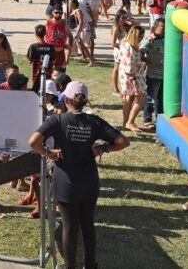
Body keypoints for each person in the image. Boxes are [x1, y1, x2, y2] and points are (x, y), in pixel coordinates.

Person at [29, 81, 129, 269]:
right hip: (89, 181)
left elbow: (33, 141)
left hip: (65, 181)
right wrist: (103, 147)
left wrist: (48, 154)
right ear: (86, 101)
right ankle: (91, 265)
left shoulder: (57, 120)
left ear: (65, 99)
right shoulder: (94, 121)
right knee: (87, 224)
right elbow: (123, 141)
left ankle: (69, 266)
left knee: (70, 226)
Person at [117, 26, 146, 131]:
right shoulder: (129, 48)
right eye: (139, 36)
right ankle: (130, 121)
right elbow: (129, 66)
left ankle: (125, 124)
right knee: (142, 99)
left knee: (129, 99)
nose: (141, 38)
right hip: (132, 77)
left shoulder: (126, 44)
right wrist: (134, 80)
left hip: (129, 76)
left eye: (142, 36)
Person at [141, 20, 166, 129]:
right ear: (156, 27)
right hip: (153, 75)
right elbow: (140, 52)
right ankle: (147, 119)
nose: (164, 29)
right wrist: (150, 62)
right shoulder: (150, 40)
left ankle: (159, 118)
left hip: (165, 75)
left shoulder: (167, 39)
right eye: (162, 27)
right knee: (150, 97)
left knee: (160, 98)